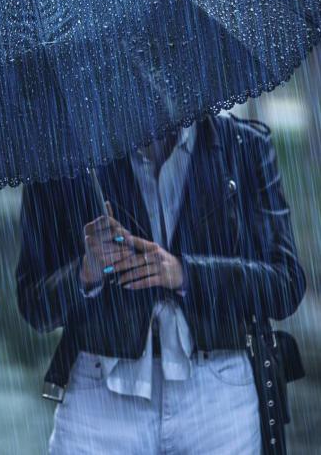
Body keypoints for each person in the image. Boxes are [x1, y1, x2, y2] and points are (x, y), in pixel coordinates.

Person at [16, 113, 306, 454]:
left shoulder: (243, 146)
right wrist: (86, 271)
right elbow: (34, 305)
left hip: (218, 393)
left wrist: (186, 274)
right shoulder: (63, 158)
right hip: (100, 392)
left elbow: (285, 284)